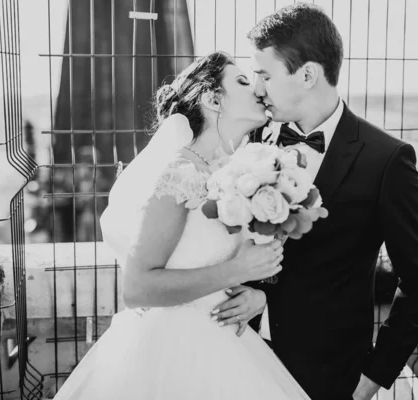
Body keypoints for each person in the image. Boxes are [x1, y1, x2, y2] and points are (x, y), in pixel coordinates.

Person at [212, 4, 418, 400]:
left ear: (307, 74)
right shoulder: (251, 142)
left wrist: (371, 379)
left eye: (266, 74)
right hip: (240, 359)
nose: (258, 88)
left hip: (330, 377)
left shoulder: (386, 160)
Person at [53, 52, 310, 400]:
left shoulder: (225, 174)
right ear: (212, 98)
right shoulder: (180, 174)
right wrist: (237, 269)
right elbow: (138, 287)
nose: (259, 91)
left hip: (225, 342)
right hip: (171, 352)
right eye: (243, 82)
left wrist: (256, 291)